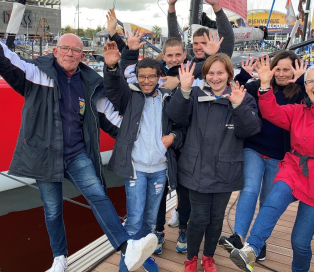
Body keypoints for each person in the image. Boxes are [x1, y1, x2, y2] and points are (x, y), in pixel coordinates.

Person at [0, 1, 157, 272]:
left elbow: (113, 120)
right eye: (65, 48)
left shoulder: (90, 85)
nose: (70, 53)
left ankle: (126, 247)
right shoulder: (35, 73)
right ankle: (59, 258)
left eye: (76, 50)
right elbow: (6, 62)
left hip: (77, 154)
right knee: (52, 211)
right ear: (55, 51)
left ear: (82, 56)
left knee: (98, 195)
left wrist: (145, 136)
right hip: (44, 153)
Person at [119, 29, 223, 256]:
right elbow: (123, 84)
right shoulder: (157, 80)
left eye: (179, 54)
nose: (175, 59)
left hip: (185, 145)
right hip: (163, 149)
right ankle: (156, 233)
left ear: (184, 55)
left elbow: (214, 80)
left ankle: (182, 229)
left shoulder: (193, 73)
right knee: (155, 201)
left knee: (183, 195)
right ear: (163, 57)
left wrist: (211, 57)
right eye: (170, 55)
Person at [229, 61, 314, 272]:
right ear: (304, 86)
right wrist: (266, 85)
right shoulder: (299, 110)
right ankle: (252, 248)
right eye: (311, 81)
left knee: (300, 241)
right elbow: (271, 112)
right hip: (294, 169)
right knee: (272, 201)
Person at [166, 54, 262, 272]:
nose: (215, 77)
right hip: (196, 169)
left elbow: (250, 130)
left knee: (217, 218)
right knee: (198, 217)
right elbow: (175, 116)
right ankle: (191, 258)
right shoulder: (194, 94)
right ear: (205, 75)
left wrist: (238, 107)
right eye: (211, 73)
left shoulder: (242, 97)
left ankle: (208, 257)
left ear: (229, 74)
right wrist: (183, 90)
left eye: (220, 72)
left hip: (225, 170)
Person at [103, 41, 185, 272]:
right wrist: (111, 68)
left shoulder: (168, 98)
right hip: (136, 169)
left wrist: (173, 138)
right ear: (136, 77)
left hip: (160, 169)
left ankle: (146, 255)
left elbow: (182, 126)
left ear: (160, 76)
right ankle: (125, 263)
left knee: (150, 220)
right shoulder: (129, 97)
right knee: (134, 220)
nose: (146, 81)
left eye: (151, 76)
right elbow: (113, 88)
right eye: (142, 76)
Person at [219, 51, 307, 260]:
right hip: (255, 148)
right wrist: (244, 75)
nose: (282, 74)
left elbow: (311, 104)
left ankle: (258, 243)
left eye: (288, 69)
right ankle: (238, 236)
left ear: (295, 70)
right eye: (279, 68)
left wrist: (302, 81)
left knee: (268, 200)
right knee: (249, 189)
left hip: (280, 155)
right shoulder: (257, 86)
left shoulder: (300, 92)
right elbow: (234, 90)